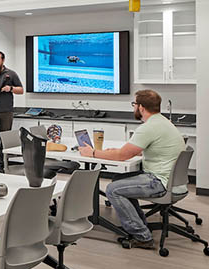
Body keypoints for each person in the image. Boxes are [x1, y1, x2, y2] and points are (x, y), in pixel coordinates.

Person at [79, 90, 185, 249]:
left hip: (159, 181)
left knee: (113, 189)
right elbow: (142, 149)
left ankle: (142, 236)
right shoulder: (162, 122)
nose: (133, 107)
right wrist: (114, 152)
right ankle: (140, 224)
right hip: (170, 179)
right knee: (119, 181)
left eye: (134, 104)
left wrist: (93, 153)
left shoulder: (149, 127)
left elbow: (122, 155)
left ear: (141, 107)